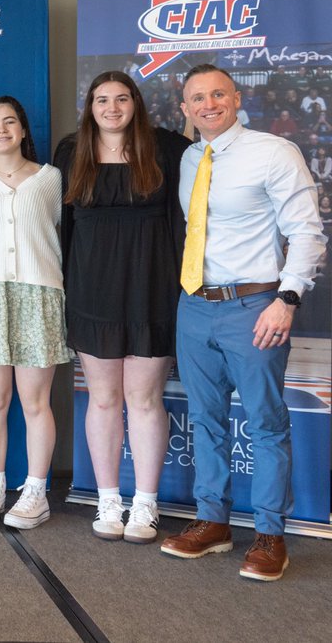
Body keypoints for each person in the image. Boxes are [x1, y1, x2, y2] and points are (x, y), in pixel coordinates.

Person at [160, 64, 325, 581]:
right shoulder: (190, 158)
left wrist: (287, 299)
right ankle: (213, 523)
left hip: (256, 306)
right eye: (196, 98)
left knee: (265, 424)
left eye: (217, 94)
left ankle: (271, 535)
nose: (208, 104)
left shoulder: (274, 152)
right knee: (204, 420)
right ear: (184, 109)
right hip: (195, 306)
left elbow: (307, 232)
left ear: (235, 98)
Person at [54, 71, 191, 543]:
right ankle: (109, 499)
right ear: (90, 107)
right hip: (92, 291)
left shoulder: (168, 148)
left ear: (136, 103)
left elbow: (183, 222)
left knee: (144, 399)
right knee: (104, 398)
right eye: (101, 100)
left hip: (153, 288)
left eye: (121, 99)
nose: (111, 108)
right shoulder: (72, 152)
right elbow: (64, 229)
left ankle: (146, 505)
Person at [0, 95, 66, 529]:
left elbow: (63, 230)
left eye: (9, 122)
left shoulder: (50, 179)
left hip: (39, 294)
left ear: (23, 130)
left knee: (35, 401)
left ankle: (36, 490)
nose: (1, 130)